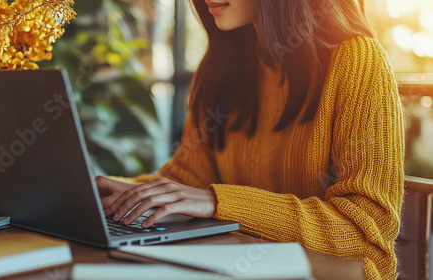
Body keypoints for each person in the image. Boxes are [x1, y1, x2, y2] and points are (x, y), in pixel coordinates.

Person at [97, 0, 404, 279]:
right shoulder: (222, 65)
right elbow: (185, 181)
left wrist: (218, 201)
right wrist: (116, 192)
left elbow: (366, 234)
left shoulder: (358, 60)